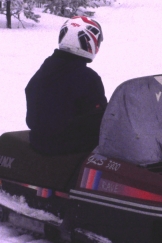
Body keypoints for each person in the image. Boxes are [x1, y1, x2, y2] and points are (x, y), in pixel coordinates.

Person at [25, 16, 107, 156]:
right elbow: (101, 119)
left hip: (39, 141)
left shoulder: (48, 68)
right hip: (69, 149)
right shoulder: (88, 78)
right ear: (90, 42)